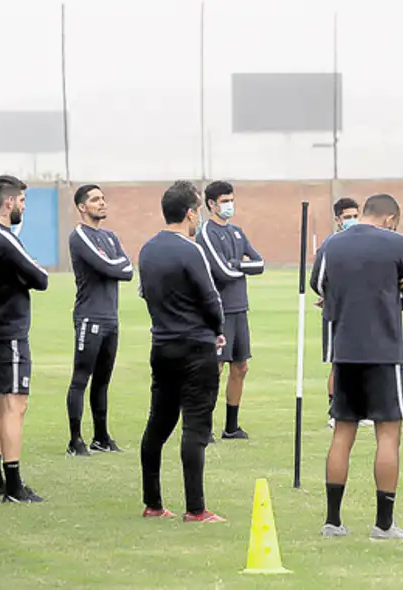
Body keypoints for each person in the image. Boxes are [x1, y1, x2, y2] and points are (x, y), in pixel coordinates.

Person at [310, 193, 403, 539]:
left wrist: (343, 295)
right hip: (384, 352)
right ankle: (384, 524)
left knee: (343, 432)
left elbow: (317, 285)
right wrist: (390, 292)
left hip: (344, 351)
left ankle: (333, 521)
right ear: (390, 218)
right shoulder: (396, 243)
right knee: (387, 433)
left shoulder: (332, 244)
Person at [138, 180, 227, 522]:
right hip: (195, 348)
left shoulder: (147, 249)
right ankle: (196, 508)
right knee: (195, 427)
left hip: (162, 345)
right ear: (190, 213)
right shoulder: (192, 250)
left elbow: (146, 293)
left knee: (158, 424)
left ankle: (153, 503)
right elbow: (210, 299)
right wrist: (217, 331)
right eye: (199, 212)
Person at [0, 174, 49, 502]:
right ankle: (14, 485)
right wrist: (30, 271)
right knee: (15, 405)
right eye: (21, 201)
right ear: (9, 202)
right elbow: (40, 277)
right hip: (9, 331)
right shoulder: (2, 236)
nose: (22, 207)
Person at [65, 184, 135, 456]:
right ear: (82, 207)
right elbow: (108, 266)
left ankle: (101, 436)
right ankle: (75, 440)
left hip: (110, 317)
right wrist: (114, 265)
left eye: (103, 198)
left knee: (103, 380)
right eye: (95, 199)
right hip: (89, 317)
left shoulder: (110, 236)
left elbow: (128, 269)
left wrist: (114, 265)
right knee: (81, 378)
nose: (102, 203)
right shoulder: (79, 235)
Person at [195, 181, 264, 441]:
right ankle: (203, 426)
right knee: (215, 367)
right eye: (225, 200)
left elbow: (260, 263)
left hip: (240, 309)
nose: (229, 205)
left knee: (241, 366)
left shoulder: (237, 232)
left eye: (231, 199)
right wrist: (239, 266)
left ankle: (231, 427)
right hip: (219, 311)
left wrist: (236, 264)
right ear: (212, 204)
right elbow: (221, 273)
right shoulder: (206, 233)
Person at [320, 197, 372, 429]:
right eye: (347, 217)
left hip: (359, 313)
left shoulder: (363, 244)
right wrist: (331, 296)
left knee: (361, 360)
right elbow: (318, 280)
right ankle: (335, 410)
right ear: (338, 220)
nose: (352, 220)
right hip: (336, 313)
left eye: (354, 216)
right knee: (337, 363)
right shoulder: (330, 244)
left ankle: (361, 408)